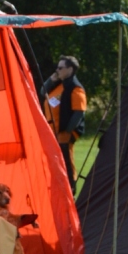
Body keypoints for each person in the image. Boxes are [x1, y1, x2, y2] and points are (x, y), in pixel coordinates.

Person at [41, 55, 87, 190]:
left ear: (70, 69)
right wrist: (51, 80)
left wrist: (67, 131)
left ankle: (71, 188)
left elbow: (79, 112)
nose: (57, 70)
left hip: (63, 133)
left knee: (66, 161)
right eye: (57, 67)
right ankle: (58, 187)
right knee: (54, 163)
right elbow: (43, 91)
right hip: (52, 132)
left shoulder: (76, 88)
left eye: (60, 68)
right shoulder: (59, 85)